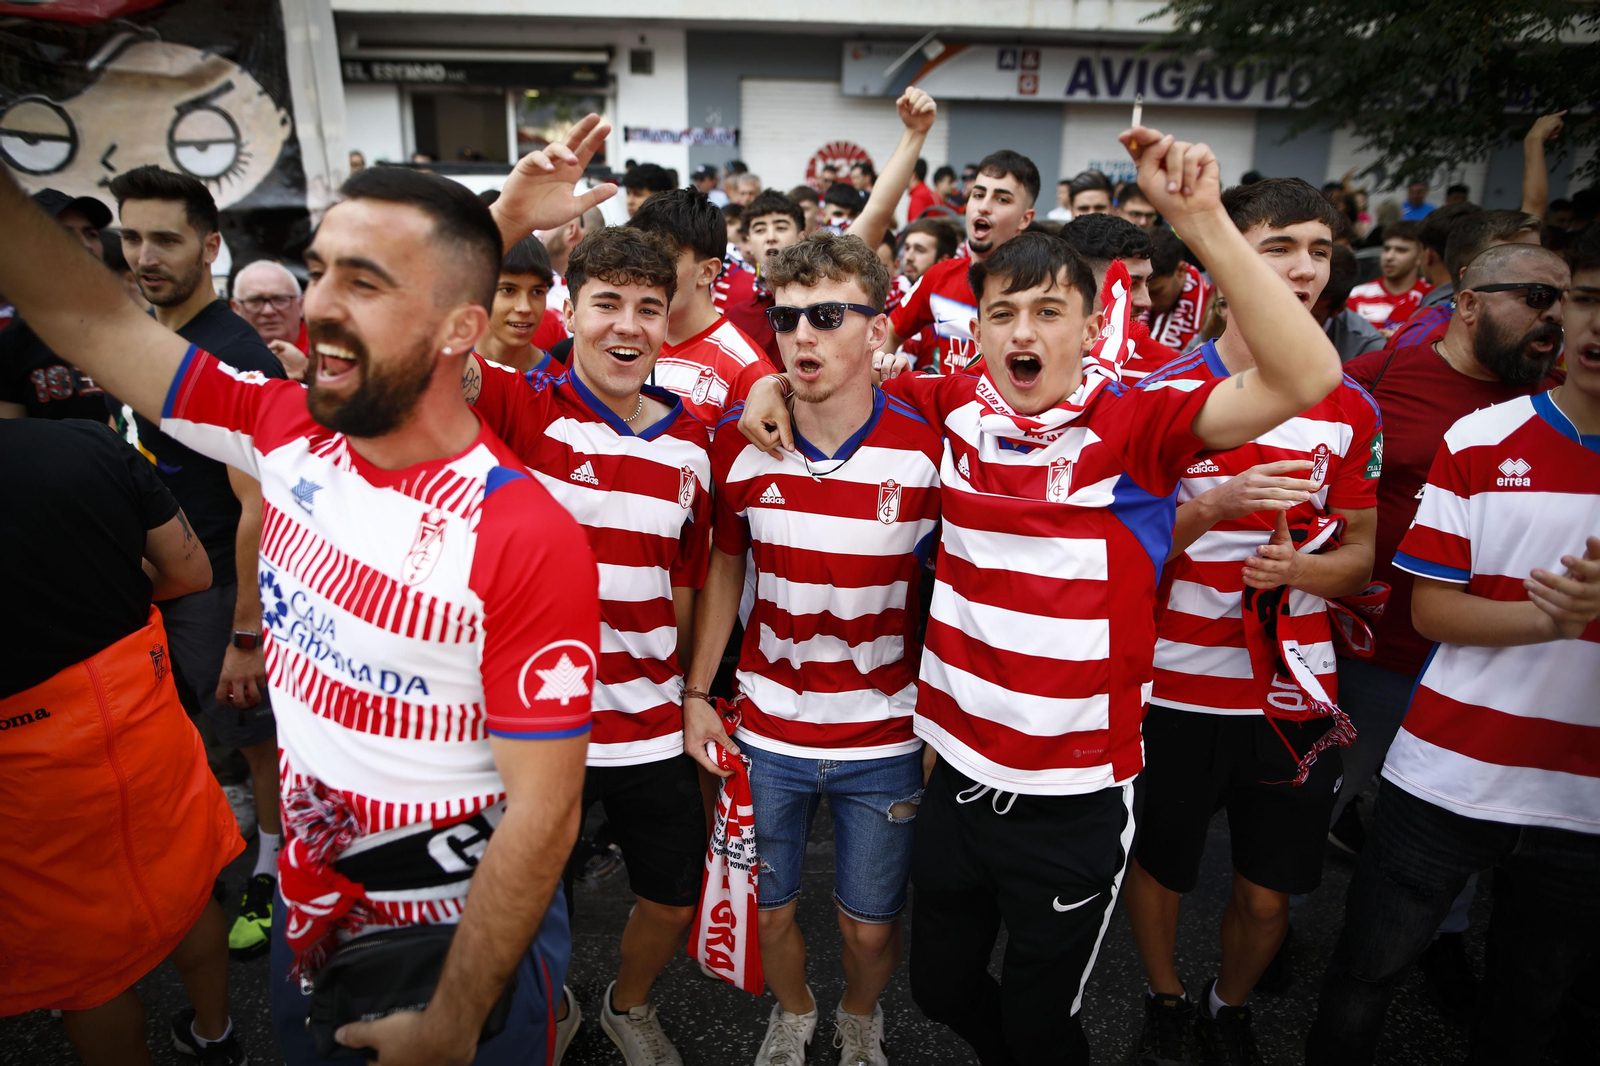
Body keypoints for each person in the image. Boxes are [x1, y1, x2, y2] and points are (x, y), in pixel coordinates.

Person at [0, 114, 619, 1065]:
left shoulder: (524, 537)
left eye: (359, 284)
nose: (318, 306)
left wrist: (455, 1018)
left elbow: (544, 818)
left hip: (458, 948)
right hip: (310, 913)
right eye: (319, 271)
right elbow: (97, 321)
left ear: (460, 330)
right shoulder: (284, 426)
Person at [740, 122, 1347, 1066]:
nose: (1024, 333)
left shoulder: (1136, 422)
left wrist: (1203, 222)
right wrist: (765, 382)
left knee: (1040, 1026)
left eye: (1050, 311)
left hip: (1074, 797)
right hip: (957, 779)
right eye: (1003, 314)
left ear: (1094, 325)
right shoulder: (952, 405)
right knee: (939, 990)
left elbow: (1308, 374)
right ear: (976, 330)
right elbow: (833, 346)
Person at [1307, 231, 1598, 1066]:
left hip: (1574, 790)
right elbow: (1425, 598)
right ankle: (1270, 925)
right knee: (1356, 943)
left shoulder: (1519, 402)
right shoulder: (1426, 406)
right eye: (1562, 299)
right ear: (1468, 303)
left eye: (1559, 297)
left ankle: (1447, 948)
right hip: (1407, 702)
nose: (1560, 319)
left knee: (1530, 997)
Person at [1126, 179, 1381, 1066]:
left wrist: (1300, 570)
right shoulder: (1160, 393)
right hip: (1175, 691)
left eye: (1319, 250)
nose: (1304, 268)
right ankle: (1164, 999)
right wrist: (1213, 506)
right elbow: (1117, 559)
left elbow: (1360, 559)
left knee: (1270, 901)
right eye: (1278, 248)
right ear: (1225, 260)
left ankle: (1226, 1006)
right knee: (1161, 870)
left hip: (1292, 696)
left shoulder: (1353, 406)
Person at [685, 230, 942, 1066]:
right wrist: (697, 696)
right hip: (766, 733)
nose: (802, 335)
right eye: (786, 317)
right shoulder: (739, 440)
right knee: (769, 914)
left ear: (878, 329)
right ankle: (795, 1012)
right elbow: (726, 566)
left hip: (887, 735)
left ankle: (860, 1018)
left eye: (827, 316)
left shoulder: (930, 443)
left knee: (868, 928)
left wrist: (943, 724)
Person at [461, 225, 712, 1066]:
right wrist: (504, 220)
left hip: (650, 727)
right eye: (607, 304)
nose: (627, 325)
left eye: (649, 307)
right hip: (539, 731)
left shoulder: (697, 440)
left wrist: (687, 692)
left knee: (674, 900)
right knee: (532, 902)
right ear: (568, 314)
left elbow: (686, 579)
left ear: (669, 322)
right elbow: (421, 349)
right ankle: (552, 1005)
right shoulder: (519, 403)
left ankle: (625, 1005)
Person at [1, 417, 246, 1066]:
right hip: (138, 705)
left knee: (85, 965)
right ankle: (216, 1035)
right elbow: (190, 570)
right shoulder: (87, 443)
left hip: (25, 764)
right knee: (186, 885)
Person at [106, 164, 292, 959]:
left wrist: (245, 634)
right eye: (132, 237)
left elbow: (259, 504)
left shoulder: (233, 353)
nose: (145, 256)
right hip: (162, 588)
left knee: (258, 741)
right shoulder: (146, 338)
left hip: (223, 588)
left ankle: (274, 873)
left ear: (210, 246)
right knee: (208, 737)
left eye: (166, 239)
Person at [886, 149, 1040, 373]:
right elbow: (889, 334)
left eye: (1002, 199)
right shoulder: (939, 276)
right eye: (978, 195)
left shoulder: (1041, 289)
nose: (984, 207)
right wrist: (883, 368)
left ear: (1025, 219)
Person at [630, 187, 773, 425]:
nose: (646, 272)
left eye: (664, 259)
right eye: (640, 257)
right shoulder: (623, 341)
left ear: (707, 271)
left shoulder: (747, 370)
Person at [0, 188, 114, 420]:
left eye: (91, 234)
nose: (86, 245)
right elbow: (12, 437)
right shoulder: (11, 347)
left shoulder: (139, 327)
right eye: (64, 233)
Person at [1386, 207, 1543, 350]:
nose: (1539, 273)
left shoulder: (1535, 331)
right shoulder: (1427, 334)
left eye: (1540, 257)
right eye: (1514, 264)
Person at [477, 235, 556, 374]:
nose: (525, 307)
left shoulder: (557, 382)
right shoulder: (445, 366)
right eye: (508, 290)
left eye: (537, 292)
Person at [538, 204, 606, 351]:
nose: (539, 233)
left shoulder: (602, 296)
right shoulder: (543, 285)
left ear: (571, 230)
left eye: (547, 224)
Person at [1345, 220, 1432, 333]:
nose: (1389, 256)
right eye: (1386, 249)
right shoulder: (1357, 295)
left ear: (1420, 257)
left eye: (1401, 250)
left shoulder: (1431, 295)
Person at [231, 259, 309, 380]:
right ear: (236, 308)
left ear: (301, 305)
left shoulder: (331, 351)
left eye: (280, 299)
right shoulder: (220, 359)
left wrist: (310, 374)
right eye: (255, 301)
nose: (268, 311)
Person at [1141, 226, 1213, 356]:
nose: (1146, 301)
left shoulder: (1214, 303)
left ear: (1180, 270)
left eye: (1156, 292)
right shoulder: (1130, 301)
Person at [1316, 244, 1388, 362]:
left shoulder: (1366, 347)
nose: (1298, 319)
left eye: (1312, 316)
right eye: (1296, 303)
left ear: (1339, 310)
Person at [899, 217, 959, 286]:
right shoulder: (892, 288)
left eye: (919, 250)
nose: (909, 257)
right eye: (907, 248)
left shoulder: (953, 291)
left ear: (943, 260)